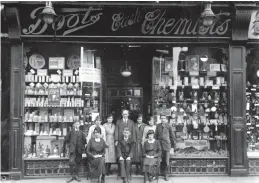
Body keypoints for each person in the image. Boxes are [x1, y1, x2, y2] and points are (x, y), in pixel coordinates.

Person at [155, 114, 175, 181]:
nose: (163, 119)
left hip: (167, 146)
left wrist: (172, 147)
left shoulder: (169, 126)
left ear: (166, 119)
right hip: (159, 146)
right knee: (159, 160)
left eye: (164, 118)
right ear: (160, 119)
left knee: (166, 161)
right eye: (161, 118)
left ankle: (166, 174)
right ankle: (159, 173)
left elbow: (172, 137)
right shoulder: (158, 126)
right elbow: (155, 136)